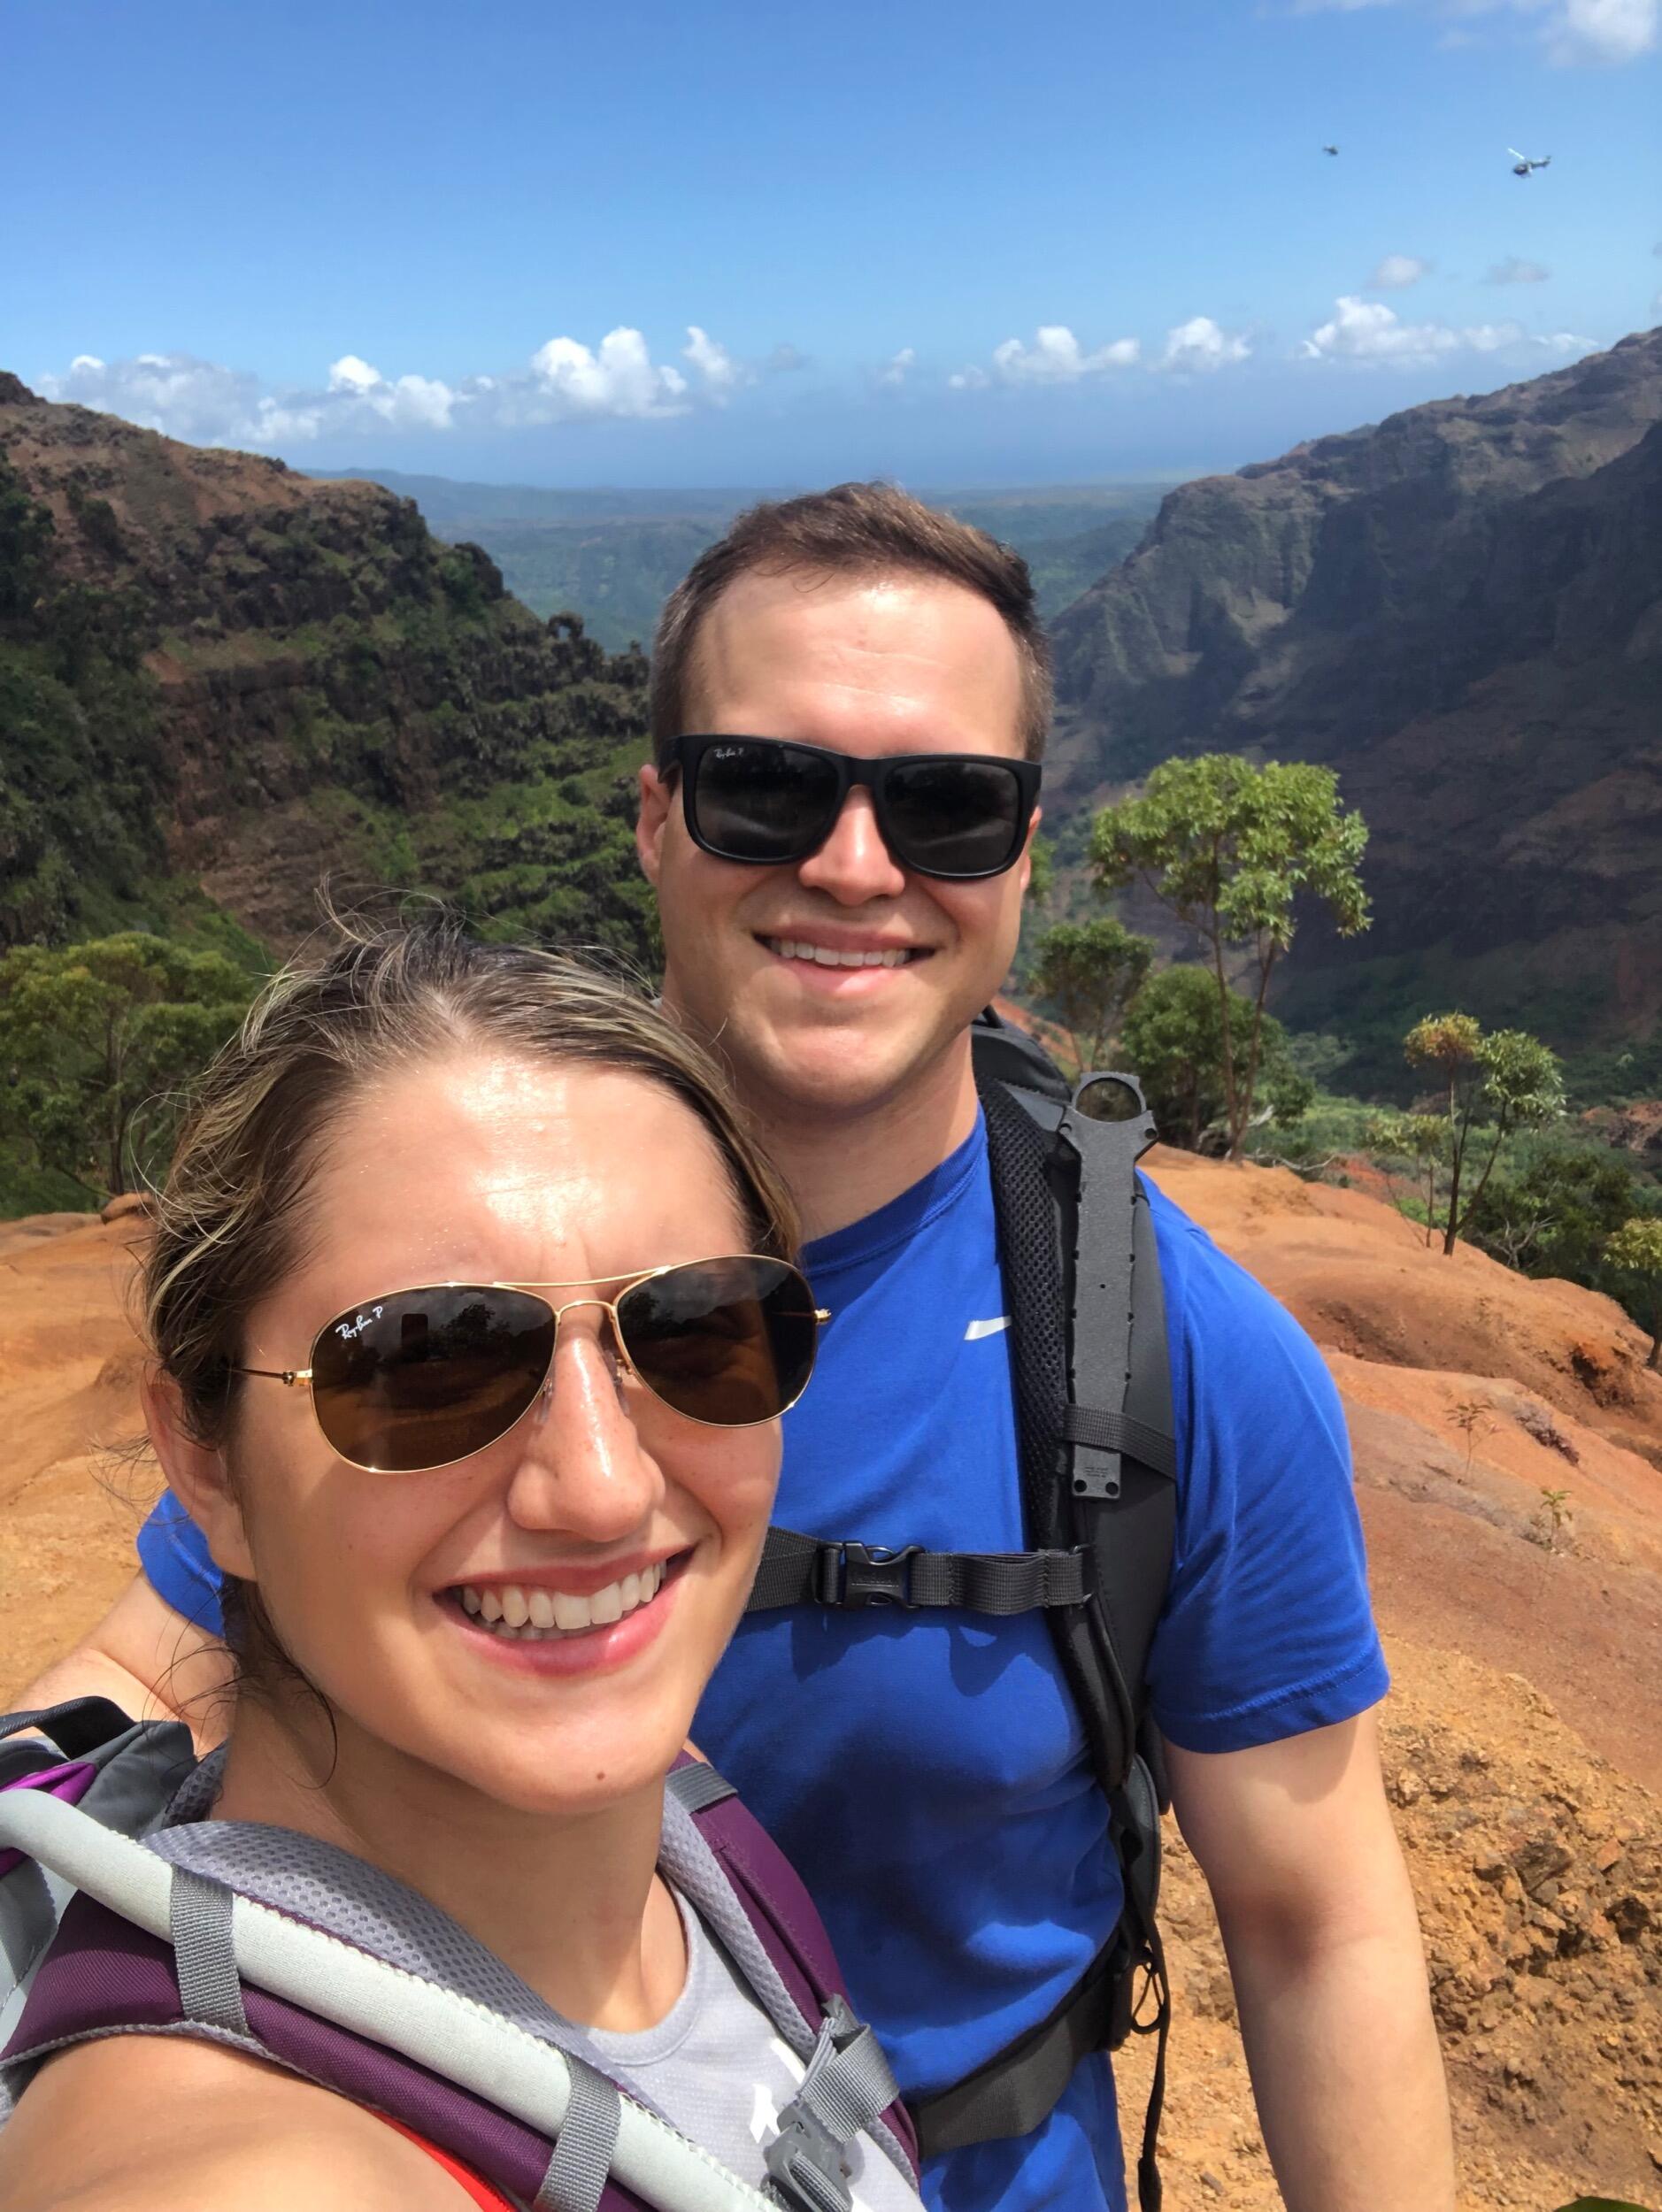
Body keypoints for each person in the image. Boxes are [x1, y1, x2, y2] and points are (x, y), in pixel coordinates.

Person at [27, 486, 1456, 2212]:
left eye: (946, 806)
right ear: (654, 814)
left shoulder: (1169, 1350)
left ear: (1021, 856)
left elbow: (1318, 1920)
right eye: (769, 788)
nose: (855, 865)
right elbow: (163, 1661)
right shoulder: (413, 1282)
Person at [0, 924, 922, 2212]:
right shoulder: (240, 2174)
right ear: (206, 1465)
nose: (601, 1489)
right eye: (428, 1365)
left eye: (697, 1330)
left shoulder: (692, 1844)